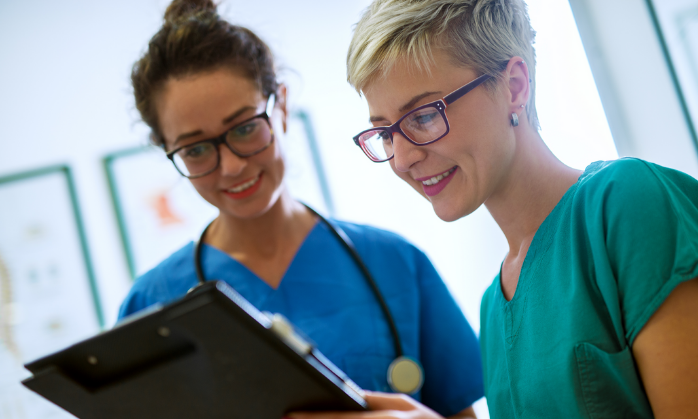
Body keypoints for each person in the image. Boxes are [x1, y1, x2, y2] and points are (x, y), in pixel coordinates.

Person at [291, 0, 698, 418]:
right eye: (386, 133)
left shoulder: (627, 204)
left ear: (513, 86)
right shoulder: (495, 307)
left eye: (424, 116)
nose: (404, 158)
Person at [117, 1, 484, 417]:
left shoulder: (395, 263)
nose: (232, 165)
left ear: (282, 106)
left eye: (244, 127)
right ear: (168, 151)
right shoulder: (151, 304)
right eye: (196, 149)